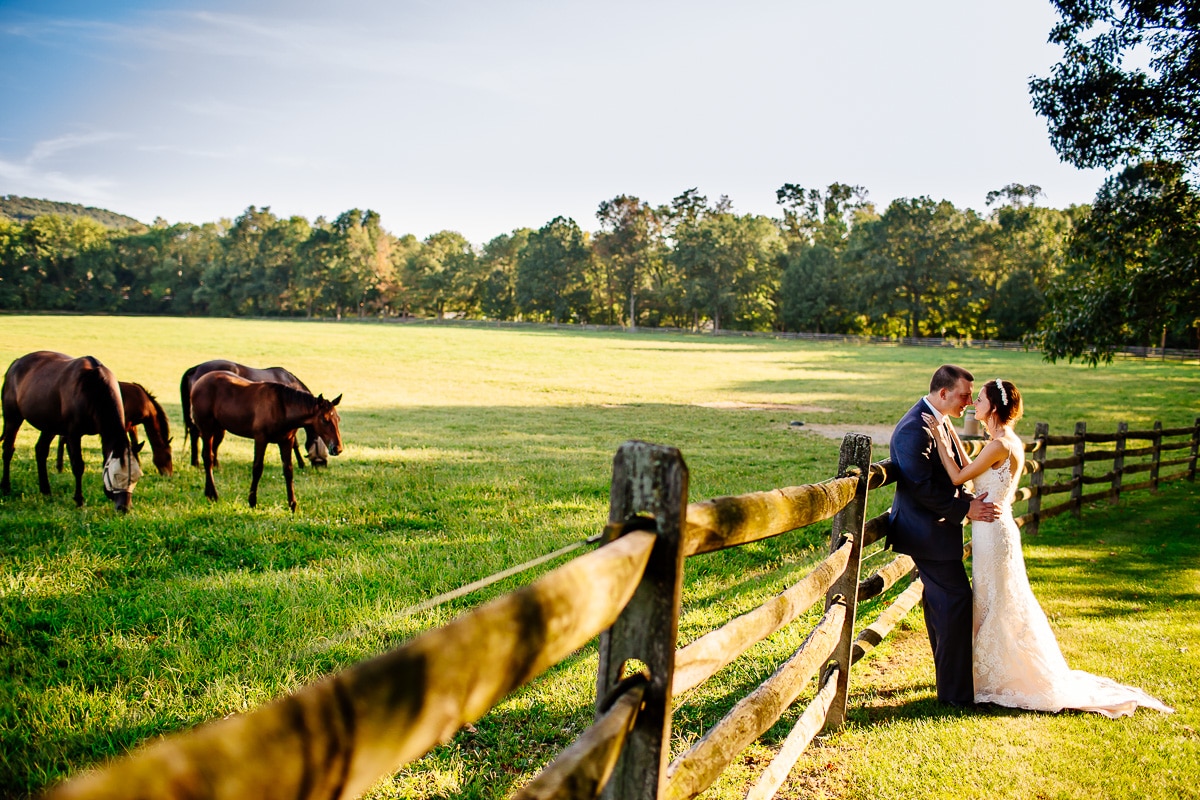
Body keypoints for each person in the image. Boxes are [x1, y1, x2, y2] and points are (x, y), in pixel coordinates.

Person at [925, 377, 1174, 717]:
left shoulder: (999, 446)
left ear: (993, 407)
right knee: (994, 599)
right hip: (994, 530)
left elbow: (959, 476)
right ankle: (984, 672)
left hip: (993, 534)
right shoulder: (1007, 441)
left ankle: (998, 676)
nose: (974, 404)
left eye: (979, 399)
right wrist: (950, 433)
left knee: (997, 601)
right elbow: (977, 469)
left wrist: (940, 438)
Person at [888, 364, 996, 708]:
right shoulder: (914, 429)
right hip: (926, 533)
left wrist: (965, 502)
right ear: (944, 392)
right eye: (964, 395)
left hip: (936, 531)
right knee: (954, 604)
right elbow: (922, 486)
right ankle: (955, 696)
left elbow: (952, 472)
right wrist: (965, 509)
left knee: (944, 607)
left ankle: (951, 688)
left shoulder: (939, 419)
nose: (968, 402)